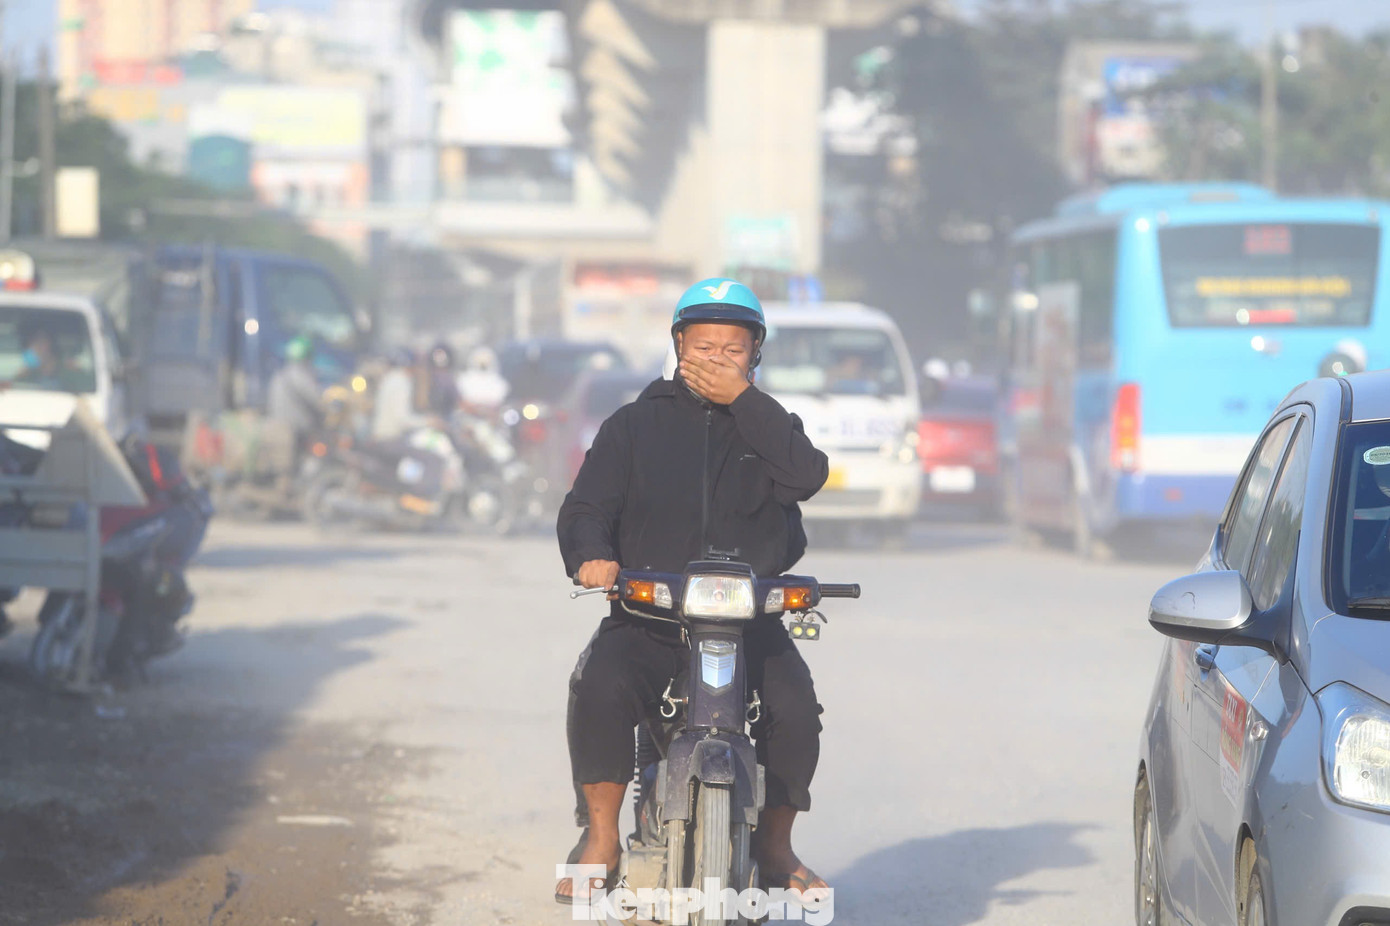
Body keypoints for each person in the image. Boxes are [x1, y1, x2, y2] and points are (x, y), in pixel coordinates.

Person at [555, 277, 831, 902]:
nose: (716, 360)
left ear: (754, 355)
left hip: (747, 621)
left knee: (795, 709)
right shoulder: (632, 425)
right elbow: (585, 508)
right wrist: (593, 557)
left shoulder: (770, 428)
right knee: (600, 684)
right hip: (649, 615)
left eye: (733, 349)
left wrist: (746, 403)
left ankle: (776, 845)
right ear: (678, 345)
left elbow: (809, 476)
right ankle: (600, 837)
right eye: (703, 347)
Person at [265, 336, 323, 462]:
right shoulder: (301, 376)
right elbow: (317, 401)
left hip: (278, 425)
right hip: (296, 430)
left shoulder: (280, 375)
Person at [455, 346, 510, 414]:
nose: (483, 362)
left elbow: (498, 403)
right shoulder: (464, 381)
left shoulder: (500, 383)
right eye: (480, 359)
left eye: (486, 359)